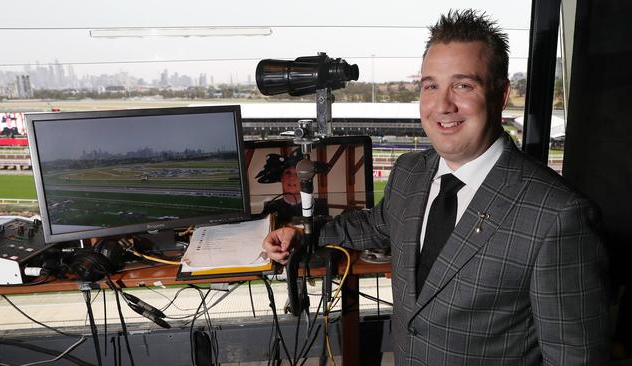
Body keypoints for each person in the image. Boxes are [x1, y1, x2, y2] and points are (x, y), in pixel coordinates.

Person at [263, 9, 610, 365]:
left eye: (463, 85)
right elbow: (379, 223)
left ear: (501, 95)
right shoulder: (410, 171)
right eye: (431, 85)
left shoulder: (559, 217)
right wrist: (305, 234)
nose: (442, 105)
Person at [255, 148, 328, 226]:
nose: (292, 178)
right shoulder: (271, 207)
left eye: (297, 174)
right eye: (287, 173)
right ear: (281, 178)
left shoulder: (319, 205)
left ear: (305, 179)